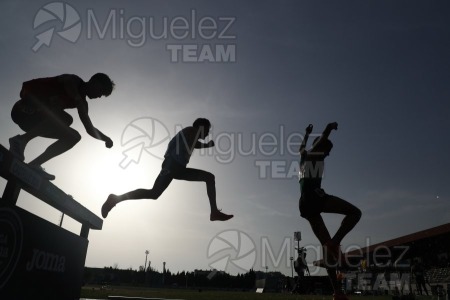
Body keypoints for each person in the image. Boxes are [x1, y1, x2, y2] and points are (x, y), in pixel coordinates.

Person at [101, 118, 233, 222]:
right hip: (172, 166)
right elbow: (194, 142)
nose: (208, 133)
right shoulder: (192, 130)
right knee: (209, 177)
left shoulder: (190, 134)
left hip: (176, 167)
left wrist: (205, 145)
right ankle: (214, 212)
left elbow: (193, 143)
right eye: (207, 130)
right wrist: (206, 145)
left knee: (154, 193)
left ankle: (115, 199)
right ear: (201, 127)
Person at [9, 73, 115, 180]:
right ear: (95, 82)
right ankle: (20, 140)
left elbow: (89, 128)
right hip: (23, 110)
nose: (99, 96)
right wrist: (77, 99)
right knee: (66, 119)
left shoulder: (82, 103)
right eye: (101, 91)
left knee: (74, 136)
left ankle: (35, 164)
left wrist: (106, 139)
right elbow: (68, 82)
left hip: (35, 122)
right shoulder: (74, 80)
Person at [298, 122, 362, 300]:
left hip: (304, 203)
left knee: (327, 250)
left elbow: (300, 148)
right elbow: (322, 140)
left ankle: (338, 293)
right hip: (315, 197)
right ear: (321, 146)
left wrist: (306, 133)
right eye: (328, 149)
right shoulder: (314, 154)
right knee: (355, 213)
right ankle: (336, 241)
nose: (329, 153)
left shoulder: (304, 157)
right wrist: (329, 128)